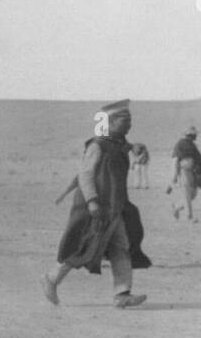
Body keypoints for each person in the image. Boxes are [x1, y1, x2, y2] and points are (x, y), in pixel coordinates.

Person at [43, 100, 149, 308]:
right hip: (95, 208)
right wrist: (92, 202)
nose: (128, 124)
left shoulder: (118, 146)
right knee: (83, 246)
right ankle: (51, 279)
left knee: (122, 246)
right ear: (109, 122)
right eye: (123, 120)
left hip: (115, 207)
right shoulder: (97, 145)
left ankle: (122, 294)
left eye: (130, 120)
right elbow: (85, 175)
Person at [168, 126, 201, 221]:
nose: (195, 136)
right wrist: (174, 176)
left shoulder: (192, 145)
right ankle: (189, 216)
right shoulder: (180, 144)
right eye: (194, 135)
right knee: (186, 193)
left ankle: (176, 208)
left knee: (193, 194)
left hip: (193, 171)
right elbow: (175, 160)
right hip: (183, 171)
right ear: (189, 135)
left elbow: (197, 157)